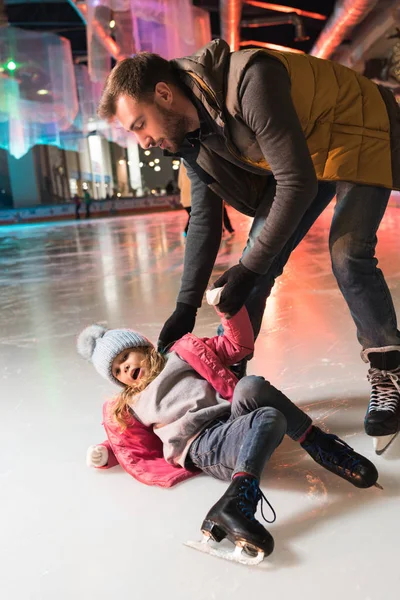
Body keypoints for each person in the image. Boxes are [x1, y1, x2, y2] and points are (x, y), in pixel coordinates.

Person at [97, 40, 400, 453]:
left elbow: (296, 185)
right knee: (250, 273)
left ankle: (389, 371)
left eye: (139, 125)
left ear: (163, 94)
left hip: (355, 123)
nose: (144, 141)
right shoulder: (189, 136)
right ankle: (229, 382)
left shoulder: (251, 81)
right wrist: (185, 307)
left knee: (348, 254)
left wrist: (250, 269)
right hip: (307, 146)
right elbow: (203, 220)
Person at [78, 301, 379, 563]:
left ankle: (319, 444)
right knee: (269, 418)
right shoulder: (131, 402)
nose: (125, 370)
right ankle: (236, 504)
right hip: (202, 446)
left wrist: (231, 310)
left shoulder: (182, 354)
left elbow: (237, 347)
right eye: (116, 371)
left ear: (142, 347)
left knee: (252, 386)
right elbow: (129, 443)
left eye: (125, 358)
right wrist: (106, 453)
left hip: (232, 422)